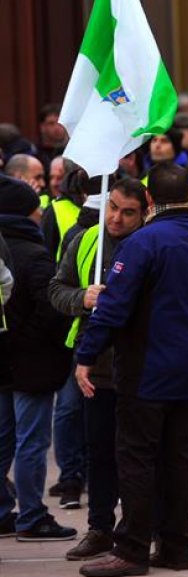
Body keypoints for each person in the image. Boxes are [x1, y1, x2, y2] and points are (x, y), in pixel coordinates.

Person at [74, 163, 188, 577]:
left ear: (149, 200)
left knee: (137, 457)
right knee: (179, 456)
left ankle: (131, 548)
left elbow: (113, 307)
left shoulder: (143, 242)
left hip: (146, 369)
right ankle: (176, 546)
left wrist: (87, 354)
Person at [49, 177, 147, 560]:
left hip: (142, 365)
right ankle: (100, 527)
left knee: (139, 452)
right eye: (113, 208)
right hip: (96, 365)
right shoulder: (85, 238)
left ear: (144, 212)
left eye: (128, 212)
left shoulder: (152, 242)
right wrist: (81, 298)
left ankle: (140, 528)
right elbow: (55, 289)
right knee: (99, 450)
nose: (117, 219)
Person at [0, 175, 75, 542]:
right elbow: (51, 308)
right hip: (31, 364)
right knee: (31, 442)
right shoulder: (34, 252)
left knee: (3, 438)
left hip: (4, 360)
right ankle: (31, 515)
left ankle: (2, 512)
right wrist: (28, 343)